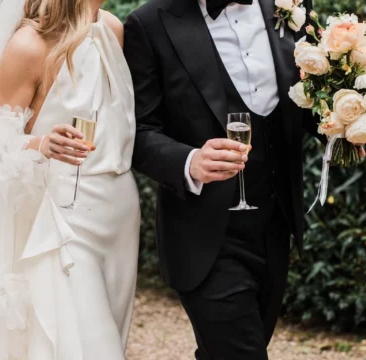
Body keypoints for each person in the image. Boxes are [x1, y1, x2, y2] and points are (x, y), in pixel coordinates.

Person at [0, 0, 139, 359]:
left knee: (107, 330)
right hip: (61, 219)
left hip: (119, 215)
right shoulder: (29, 45)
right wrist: (42, 143)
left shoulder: (112, 29)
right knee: (88, 346)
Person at [124, 0, 329, 358]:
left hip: (275, 224)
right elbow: (137, 132)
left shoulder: (290, 6)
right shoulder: (149, 23)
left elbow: (308, 99)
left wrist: (343, 126)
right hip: (204, 235)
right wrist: (190, 161)